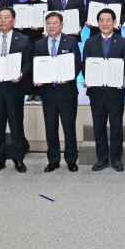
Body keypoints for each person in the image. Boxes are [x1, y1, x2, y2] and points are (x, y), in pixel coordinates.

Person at [0, 7, 32, 173]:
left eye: (6, 17)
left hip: (14, 87)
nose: (3, 20)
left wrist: (22, 73)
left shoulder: (23, 39)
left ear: (14, 20)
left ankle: (18, 158)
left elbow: (28, 62)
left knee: (16, 124)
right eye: (0, 17)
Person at [82, 8, 125, 172]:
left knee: (116, 126)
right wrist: (87, 78)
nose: (105, 23)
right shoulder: (90, 42)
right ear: (97, 23)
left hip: (115, 91)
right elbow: (85, 64)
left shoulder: (123, 42)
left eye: (108, 20)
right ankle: (102, 159)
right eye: (101, 20)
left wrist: (124, 77)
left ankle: (116, 159)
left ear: (115, 23)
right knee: (99, 126)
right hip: (96, 91)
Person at [33, 12, 81, 173]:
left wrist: (69, 77)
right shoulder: (39, 44)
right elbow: (37, 66)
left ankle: (71, 159)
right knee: (50, 127)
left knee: (69, 127)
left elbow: (77, 64)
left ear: (61, 25)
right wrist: (37, 79)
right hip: (48, 92)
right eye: (48, 23)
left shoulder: (72, 41)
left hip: (67, 91)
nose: (51, 26)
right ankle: (53, 160)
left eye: (55, 23)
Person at [17, 0, 46, 105]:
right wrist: (18, 26)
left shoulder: (45, 6)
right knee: (27, 65)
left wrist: (42, 27)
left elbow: (49, 24)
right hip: (25, 39)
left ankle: (39, 93)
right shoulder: (20, 6)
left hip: (39, 39)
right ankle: (29, 93)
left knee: (39, 65)